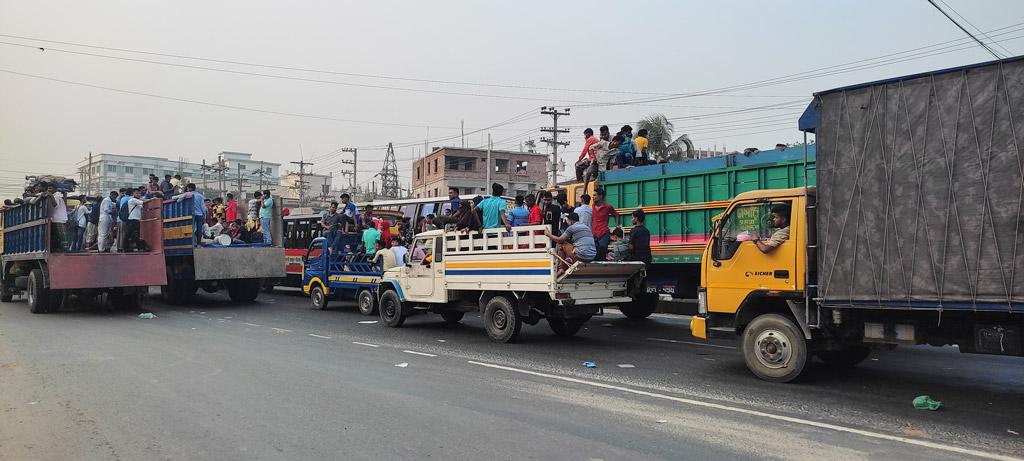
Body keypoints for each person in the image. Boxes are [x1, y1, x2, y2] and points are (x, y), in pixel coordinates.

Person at [591, 188, 618, 261]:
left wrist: (616, 226)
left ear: (601, 196)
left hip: (603, 232)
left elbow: (616, 215)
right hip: (594, 233)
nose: (592, 197)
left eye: (594, 195)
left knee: (602, 248)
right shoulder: (593, 206)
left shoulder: (608, 207)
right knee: (594, 251)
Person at [47, 186, 69, 253]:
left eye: (50, 188)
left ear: (55, 189)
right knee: (58, 236)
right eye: (48, 188)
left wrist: (51, 196)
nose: (49, 189)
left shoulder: (56, 196)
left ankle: (64, 250)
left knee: (61, 235)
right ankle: (60, 249)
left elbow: (55, 205)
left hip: (58, 219)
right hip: (59, 218)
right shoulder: (59, 196)